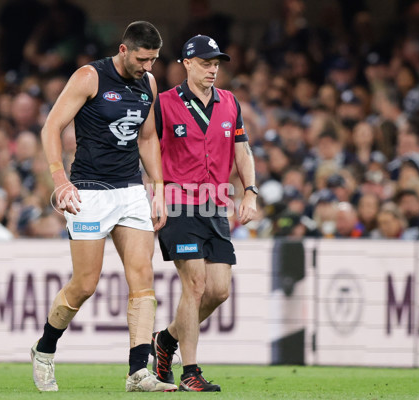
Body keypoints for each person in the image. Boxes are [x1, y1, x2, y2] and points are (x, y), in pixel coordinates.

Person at [31, 21, 176, 393]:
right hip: (90, 190)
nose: (148, 67)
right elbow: (51, 128)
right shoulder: (89, 77)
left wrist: (158, 187)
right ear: (124, 50)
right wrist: (59, 179)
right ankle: (44, 349)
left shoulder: (149, 83)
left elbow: (147, 138)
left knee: (143, 275)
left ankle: (137, 372)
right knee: (85, 284)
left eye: (154, 60)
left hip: (129, 189)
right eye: (143, 59)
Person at [151, 35, 257, 392]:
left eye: (217, 64)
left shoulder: (229, 102)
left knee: (219, 291)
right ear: (187, 63)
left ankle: (165, 341)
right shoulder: (164, 103)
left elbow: (242, 150)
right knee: (194, 285)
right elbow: (147, 148)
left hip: (215, 204)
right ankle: (190, 371)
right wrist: (156, 192)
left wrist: (250, 192)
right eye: (207, 63)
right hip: (178, 202)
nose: (213, 69)